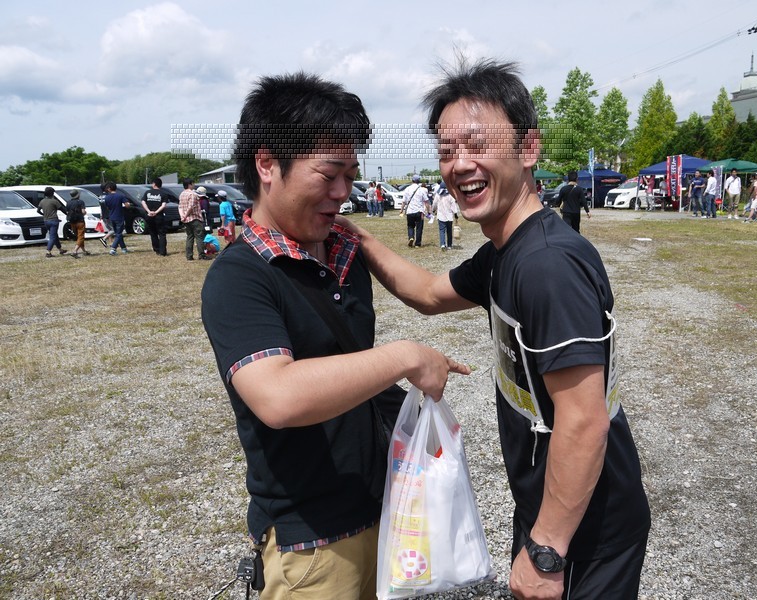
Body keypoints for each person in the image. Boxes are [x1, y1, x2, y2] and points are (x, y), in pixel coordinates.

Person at [342, 57, 650, 600]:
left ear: (528, 149)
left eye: (477, 145)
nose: (460, 164)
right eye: (446, 151)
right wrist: (356, 238)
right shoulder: (504, 253)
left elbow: (584, 422)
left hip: (587, 534)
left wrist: (547, 551)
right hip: (552, 512)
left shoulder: (548, 265)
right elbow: (427, 293)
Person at [200, 72, 469, 600]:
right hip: (313, 542)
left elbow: (428, 291)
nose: (344, 193)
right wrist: (404, 357)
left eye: (351, 174)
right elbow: (277, 396)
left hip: (385, 507)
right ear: (266, 164)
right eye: (329, 174)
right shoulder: (241, 276)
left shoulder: (344, 249)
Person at [178, 178, 207, 260]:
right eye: (193, 183)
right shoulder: (192, 194)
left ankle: (189, 256)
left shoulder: (181, 194)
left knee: (189, 237)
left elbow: (180, 207)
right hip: (195, 218)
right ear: (189, 184)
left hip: (186, 220)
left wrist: (182, 216)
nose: (194, 185)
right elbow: (190, 207)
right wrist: (186, 215)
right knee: (199, 236)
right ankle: (201, 255)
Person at [36, 186, 68, 258]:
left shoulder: (42, 201)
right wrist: (68, 214)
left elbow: (38, 211)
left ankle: (60, 249)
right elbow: (62, 209)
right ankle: (48, 251)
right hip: (54, 220)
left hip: (46, 221)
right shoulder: (54, 201)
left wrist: (43, 214)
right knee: (52, 237)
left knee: (55, 235)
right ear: (52, 193)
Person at [400, 174, 430, 247]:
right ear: (419, 181)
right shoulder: (421, 190)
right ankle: (417, 244)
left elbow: (404, 201)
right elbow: (426, 202)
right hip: (419, 211)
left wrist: (401, 210)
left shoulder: (407, 189)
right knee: (419, 228)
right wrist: (428, 211)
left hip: (410, 211)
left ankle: (411, 237)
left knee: (410, 226)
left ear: (412, 180)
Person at [142, 177, 168, 255]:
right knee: (162, 233)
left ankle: (157, 250)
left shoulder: (147, 192)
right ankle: (163, 251)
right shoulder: (163, 194)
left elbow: (143, 202)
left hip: (149, 216)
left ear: (154, 184)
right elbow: (163, 205)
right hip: (159, 216)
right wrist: (156, 212)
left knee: (153, 233)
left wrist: (149, 211)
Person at [103, 182, 130, 255]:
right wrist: (127, 205)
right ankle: (113, 249)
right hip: (119, 216)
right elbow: (127, 205)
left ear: (109, 189)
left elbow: (108, 206)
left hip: (111, 216)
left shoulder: (107, 197)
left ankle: (124, 248)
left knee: (118, 233)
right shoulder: (120, 196)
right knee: (119, 233)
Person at [432, 181, 458, 250]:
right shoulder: (450, 195)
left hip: (441, 216)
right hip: (449, 216)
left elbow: (434, 204)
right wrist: (455, 214)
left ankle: (443, 245)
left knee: (442, 230)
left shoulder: (438, 195)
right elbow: (453, 205)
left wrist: (433, 210)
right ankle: (449, 245)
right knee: (449, 231)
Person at [66, 189, 91, 257]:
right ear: (77, 195)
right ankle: (75, 251)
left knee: (78, 236)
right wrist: (85, 213)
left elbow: (67, 212)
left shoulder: (68, 202)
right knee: (81, 236)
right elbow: (83, 212)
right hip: (80, 221)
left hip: (72, 222)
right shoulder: (80, 202)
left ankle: (84, 251)